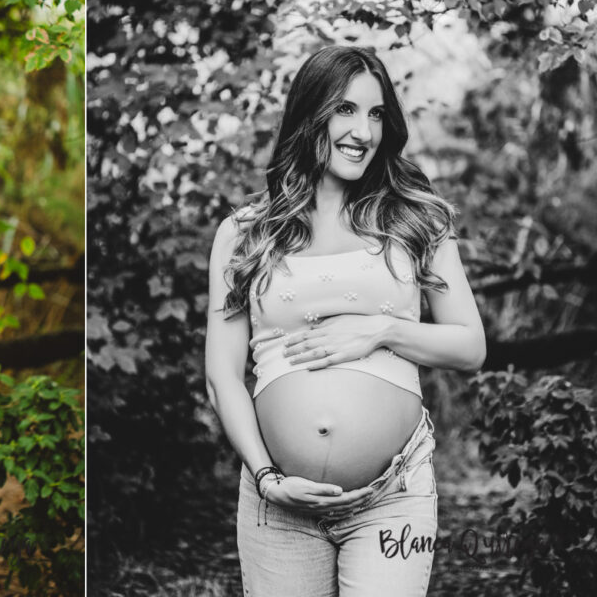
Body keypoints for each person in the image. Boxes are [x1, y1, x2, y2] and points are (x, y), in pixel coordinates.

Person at [205, 45, 486, 597]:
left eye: (376, 113)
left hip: (395, 495)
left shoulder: (415, 220)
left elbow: (470, 346)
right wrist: (267, 478)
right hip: (277, 505)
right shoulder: (245, 232)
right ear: (310, 114)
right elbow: (222, 375)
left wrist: (382, 330)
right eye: (346, 110)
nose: (364, 130)